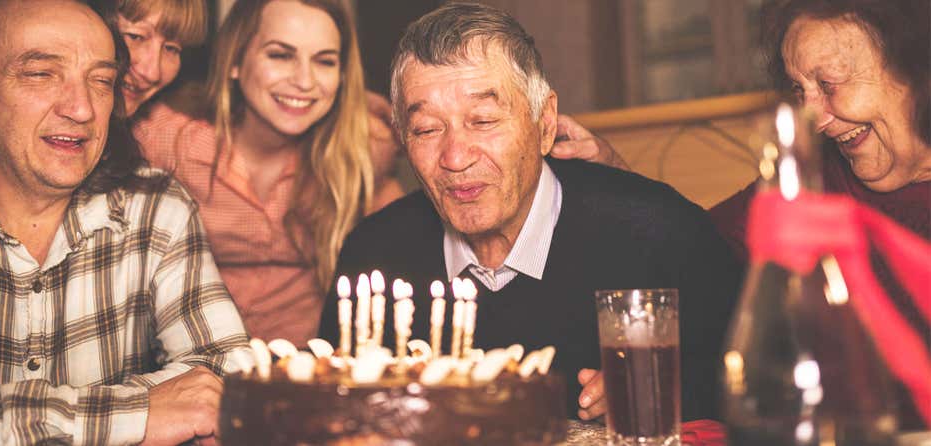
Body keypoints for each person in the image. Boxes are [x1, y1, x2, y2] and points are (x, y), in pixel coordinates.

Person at [318, 2, 742, 422]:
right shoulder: (374, 255)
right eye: (426, 129)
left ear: (544, 123)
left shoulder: (658, 234)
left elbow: (753, 383)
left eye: (482, 120)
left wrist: (662, 391)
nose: (455, 156)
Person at [0, 0, 249, 444]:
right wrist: (136, 416)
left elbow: (223, 371)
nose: (82, 109)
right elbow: (184, 402)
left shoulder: (157, 208)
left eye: (102, 81)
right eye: (41, 73)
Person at [707, 0, 930, 428]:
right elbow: (697, 244)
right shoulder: (819, 178)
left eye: (828, 84)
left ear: (916, 71)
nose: (814, 119)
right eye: (799, 90)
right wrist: (621, 181)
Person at [134, 0, 404, 346]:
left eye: (324, 61)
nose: (304, 81)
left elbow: (403, 251)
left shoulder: (363, 146)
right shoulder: (164, 139)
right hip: (192, 366)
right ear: (234, 60)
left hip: (307, 369)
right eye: (280, 55)